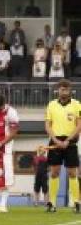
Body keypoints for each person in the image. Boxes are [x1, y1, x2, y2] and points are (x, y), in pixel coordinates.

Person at [43, 79, 81, 213]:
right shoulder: (51, 105)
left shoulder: (77, 104)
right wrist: (55, 140)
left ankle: (76, 202)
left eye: (66, 89)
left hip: (70, 142)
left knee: (72, 173)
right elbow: (47, 125)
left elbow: (79, 125)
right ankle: (51, 203)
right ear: (58, 90)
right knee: (54, 173)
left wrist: (68, 140)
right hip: (55, 140)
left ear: (70, 90)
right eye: (61, 89)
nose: (63, 91)